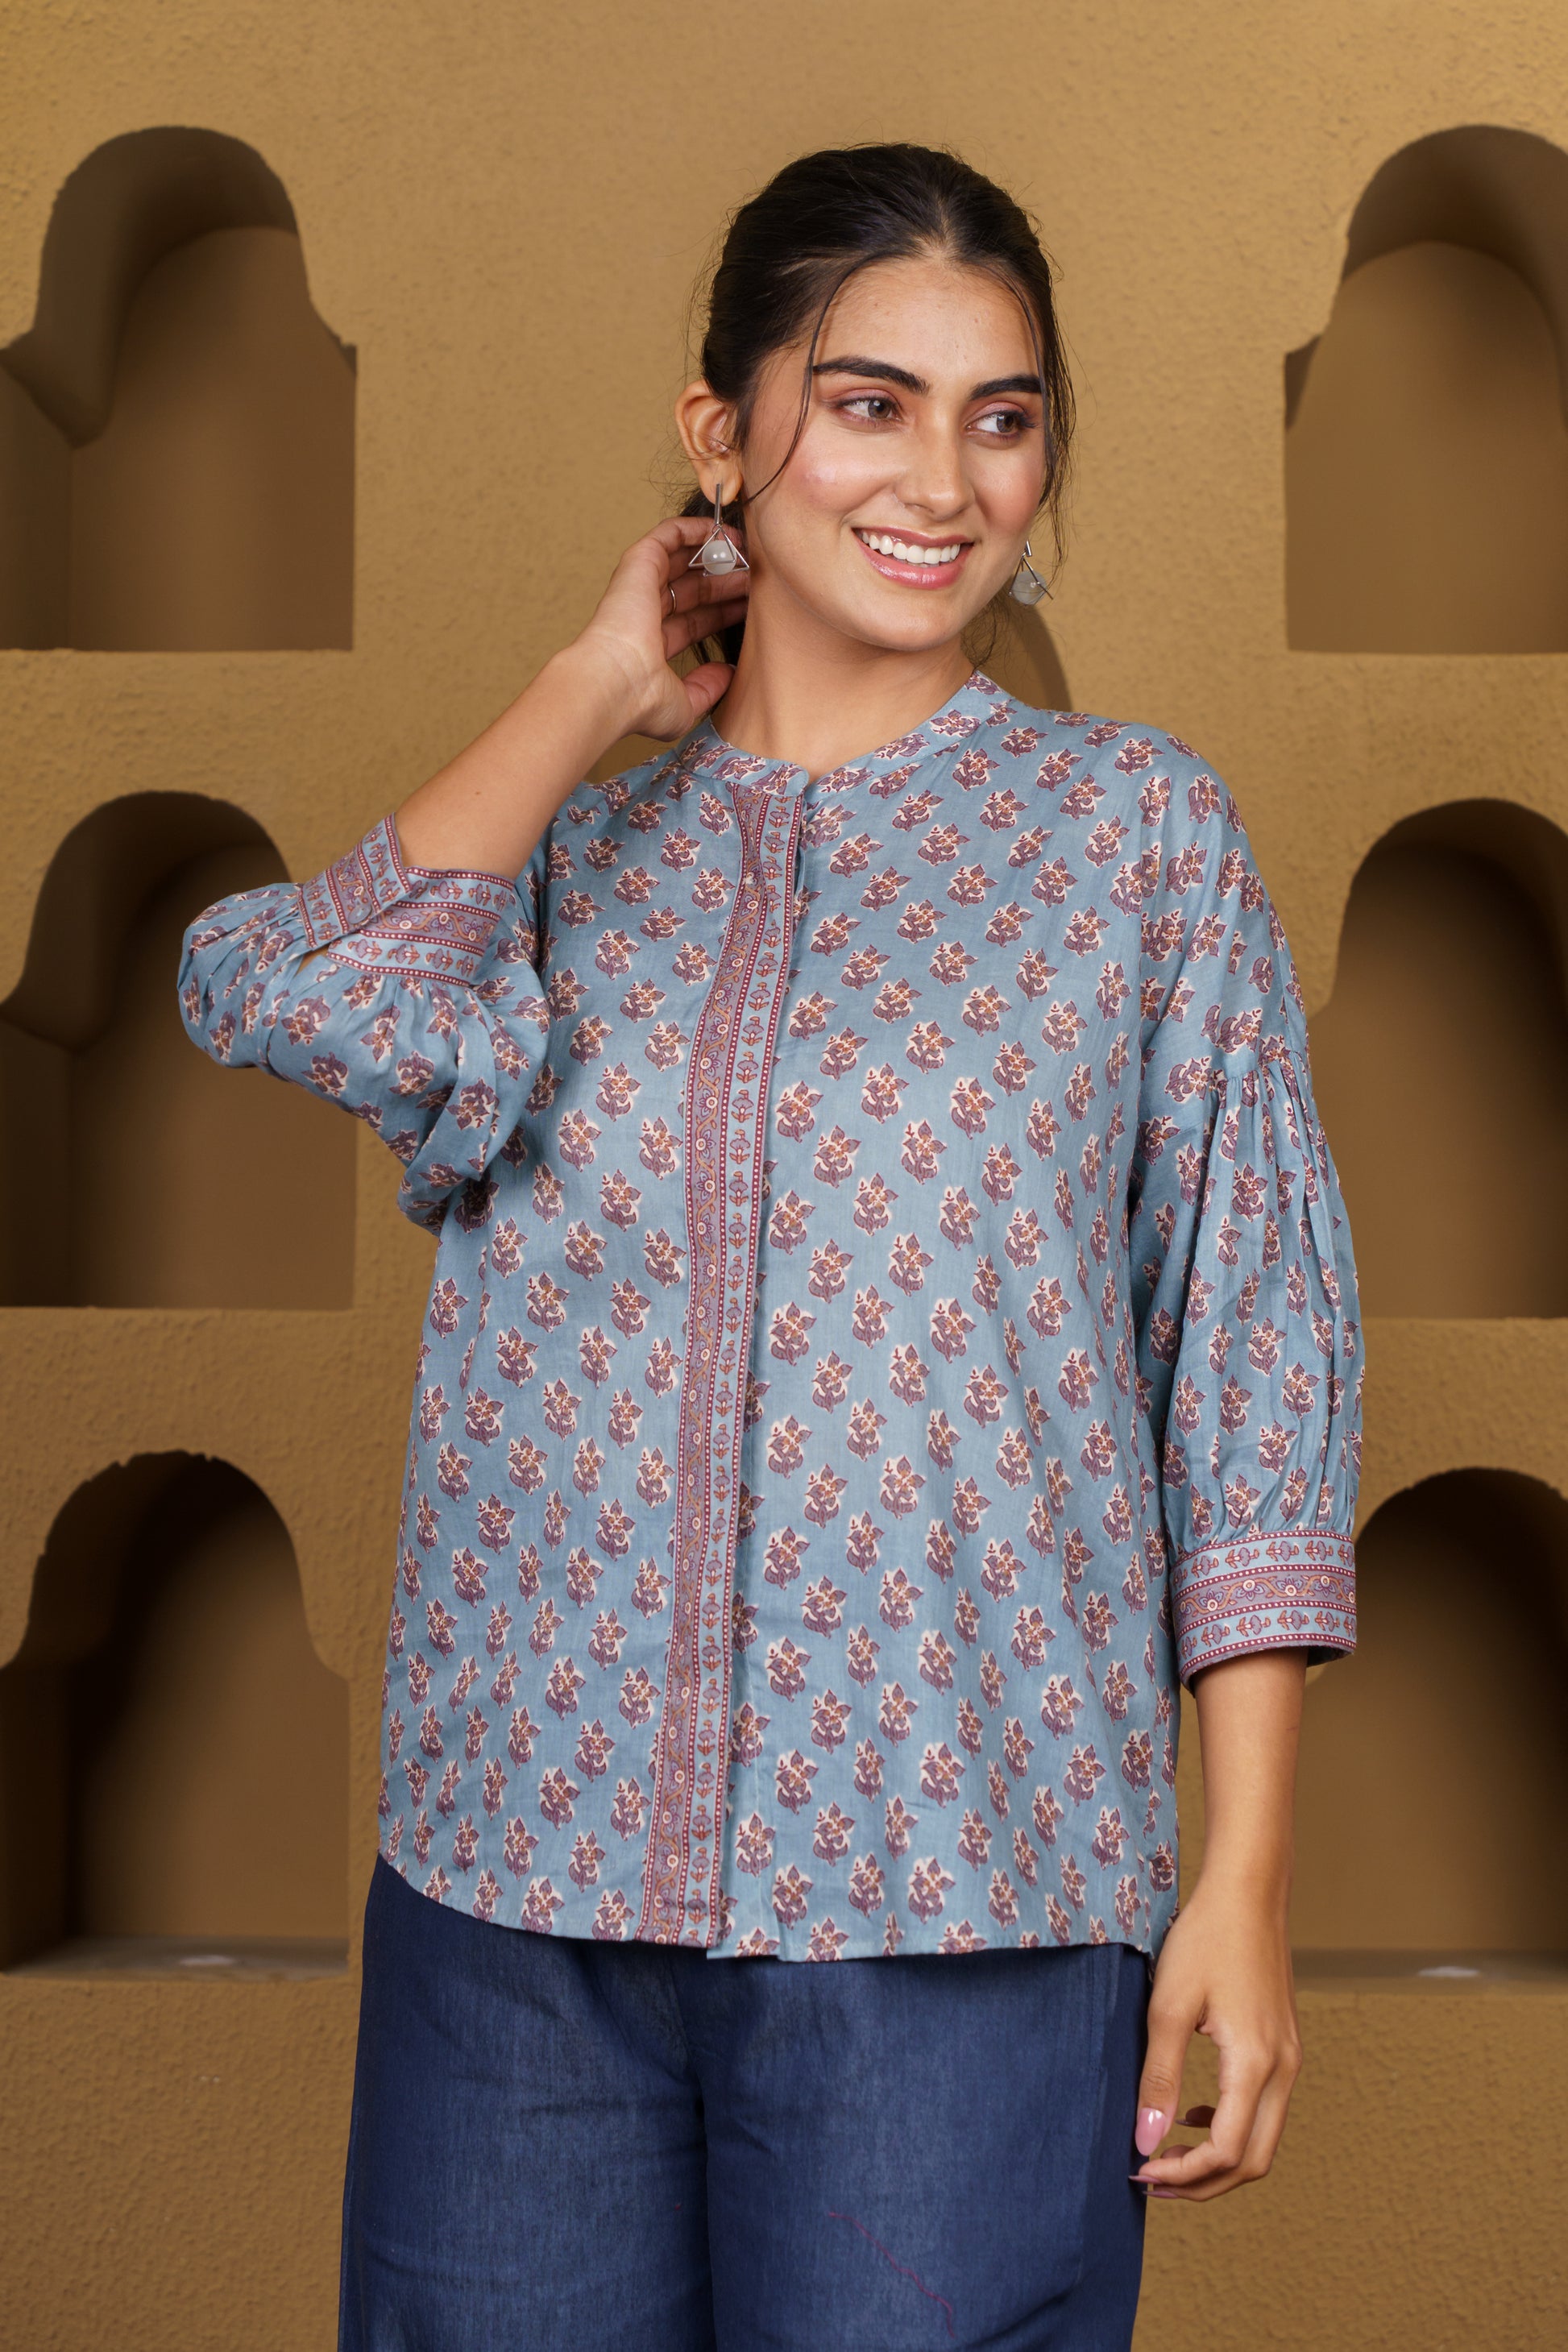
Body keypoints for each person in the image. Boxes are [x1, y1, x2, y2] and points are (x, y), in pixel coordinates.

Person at [180, 142, 1361, 2352]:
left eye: (1001, 418)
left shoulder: (1136, 841)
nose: (942, 479)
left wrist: (1244, 1877)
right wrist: (589, 684)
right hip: (520, 1885)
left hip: (964, 1887)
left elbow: (1250, 1368)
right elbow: (285, 997)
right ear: (720, 436)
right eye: (868, 403)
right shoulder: (567, 852)